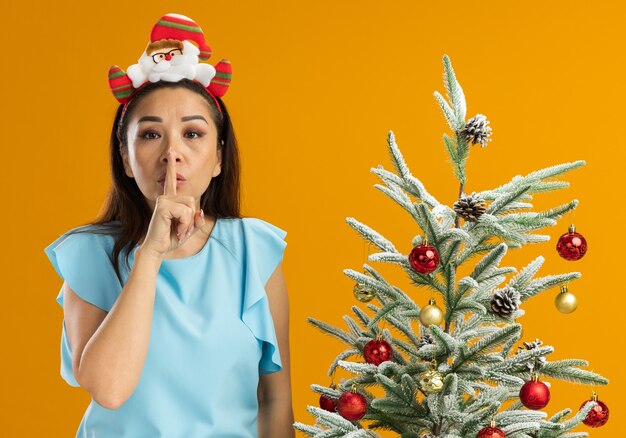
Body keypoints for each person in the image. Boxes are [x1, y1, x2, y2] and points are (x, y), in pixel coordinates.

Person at [44, 13, 294, 437]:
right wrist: (151, 254)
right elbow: (108, 389)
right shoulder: (88, 255)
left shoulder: (254, 251)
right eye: (150, 135)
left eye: (193, 134)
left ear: (218, 159)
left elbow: (275, 401)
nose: (172, 154)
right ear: (125, 158)